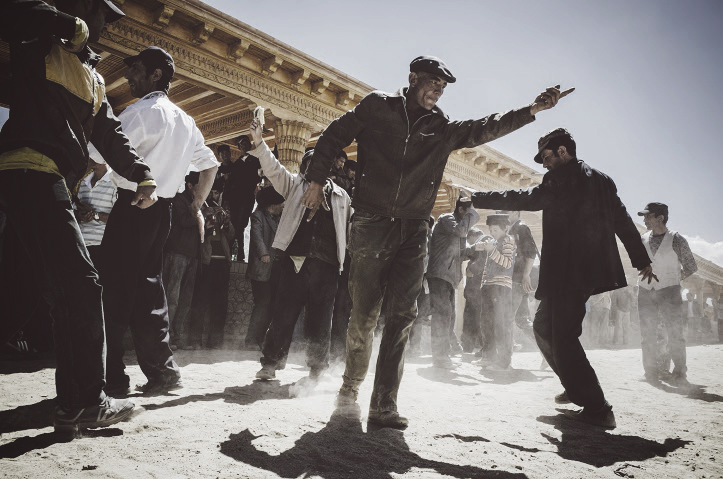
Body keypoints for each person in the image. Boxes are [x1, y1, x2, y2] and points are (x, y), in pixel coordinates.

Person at [301, 55, 567, 429]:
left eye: (442, 88)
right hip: (371, 223)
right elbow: (331, 138)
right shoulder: (377, 105)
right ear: (412, 78)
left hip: (414, 230)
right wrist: (315, 181)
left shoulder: (440, 127)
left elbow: (483, 128)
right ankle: (349, 390)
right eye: (431, 83)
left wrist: (532, 109)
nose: (436, 92)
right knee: (363, 314)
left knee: (403, 315)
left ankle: (383, 404)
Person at [0, 0, 157, 433]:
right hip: (31, 167)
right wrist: (64, 24)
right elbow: (11, 12)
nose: (107, 24)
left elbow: (109, 132)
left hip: (42, 179)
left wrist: (141, 173)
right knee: (81, 287)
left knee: (20, 296)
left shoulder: (95, 79)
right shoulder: (41, 41)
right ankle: (85, 400)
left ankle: (74, 404)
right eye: (103, 14)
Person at [471, 128, 654, 429]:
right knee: (543, 326)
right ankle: (576, 385)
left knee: (563, 335)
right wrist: (640, 259)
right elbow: (622, 221)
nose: (544, 164)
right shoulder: (603, 180)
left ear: (563, 152)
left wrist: (478, 197)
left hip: (570, 270)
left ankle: (597, 408)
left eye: (546, 157)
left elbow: (527, 197)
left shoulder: (560, 179)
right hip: (581, 270)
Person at [102, 46, 219, 395]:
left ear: (156, 74)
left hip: (133, 205)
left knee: (116, 290)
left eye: (135, 69)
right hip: (162, 212)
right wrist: (196, 203)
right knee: (149, 291)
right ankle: (163, 373)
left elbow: (98, 155)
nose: (128, 76)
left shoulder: (139, 112)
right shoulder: (186, 121)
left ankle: (112, 378)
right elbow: (211, 165)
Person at [248, 122, 353, 383]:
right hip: (294, 264)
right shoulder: (294, 185)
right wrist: (260, 143)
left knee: (320, 322)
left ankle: (317, 370)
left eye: (318, 163)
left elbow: (349, 232)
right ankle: (270, 364)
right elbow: (273, 169)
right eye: (309, 162)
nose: (312, 167)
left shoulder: (343, 197)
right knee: (284, 315)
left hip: (328, 267)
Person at [637, 202, 697, 386]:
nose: (645, 219)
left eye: (648, 216)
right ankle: (650, 372)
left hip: (669, 291)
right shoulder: (643, 238)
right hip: (645, 291)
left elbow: (690, 266)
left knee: (674, 332)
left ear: (660, 218)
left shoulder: (676, 239)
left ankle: (679, 372)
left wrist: (671, 278)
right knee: (648, 333)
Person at [427, 196, 480, 368]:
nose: (471, 217)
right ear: (461, 210)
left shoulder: (457, 227)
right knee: (442, 315)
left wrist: (476, 249)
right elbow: (461, 232)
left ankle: (444, 354)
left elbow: (460, 253)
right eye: (469, 212)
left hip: (449, 276)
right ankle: (440, 357)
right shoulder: (447, 219)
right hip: (440, 274)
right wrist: (472, 214)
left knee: (448, 315)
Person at [163, 171, 203, 349]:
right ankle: (166, 338)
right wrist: (202, 215)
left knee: (185, 300)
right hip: (177, 253)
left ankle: (176, 338)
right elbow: (183, 220)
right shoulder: (178, 200)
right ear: (190, 186)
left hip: (192, 256)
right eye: (200, 186)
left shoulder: (198, 203)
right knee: (172, 298)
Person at [245, 186, 285, 350]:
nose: (283, 206)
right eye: (281, 204)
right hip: (261, 269)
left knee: (271, 305)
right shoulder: (257, 216)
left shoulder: (279, 218)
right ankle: (251, 341)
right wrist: (263, 254)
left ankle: (260, 340)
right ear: (272, 205)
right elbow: (257, 237)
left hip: (275, 270)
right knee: (262, 304)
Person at [475, 214, 517, 371]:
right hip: (488, 286)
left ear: (505, 228)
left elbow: (507, 264)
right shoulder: (494, 242)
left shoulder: (508, 241)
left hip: (501, 288)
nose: (492, 233)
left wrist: (491, 250)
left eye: (496, 230)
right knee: (486, 323)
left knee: (500, 325)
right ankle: (488, 357)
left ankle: (503, 361)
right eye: (491, 230)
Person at [74, 144, 116, 269]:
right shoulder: (81, 182)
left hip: (103, 246)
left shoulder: (115, 183)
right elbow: (73, 210)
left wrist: (96, 215)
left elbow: (119, 219)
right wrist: (79, 215)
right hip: (80, 244)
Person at [220, 135, 262, 262]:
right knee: (234, 225)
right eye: (240, 144)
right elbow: (229, 181)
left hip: (247, 198)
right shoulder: (237, 163)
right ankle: (236, 254)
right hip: (235, 200)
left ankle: (239, 254)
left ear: (249, 145)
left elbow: (260, 178)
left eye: (245, 143)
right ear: (238, 147)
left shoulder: (256, 161)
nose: (243, 146)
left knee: (241, 224)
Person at [503, 211, 538, 345]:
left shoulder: (521, 227)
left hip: (517, 280)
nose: (505, 214)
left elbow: (531, 253)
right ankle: (548, 351)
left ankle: (502, 358)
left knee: (507, 317)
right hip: (515, 279)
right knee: (522, 319)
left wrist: (525, 275)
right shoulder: (511, 229)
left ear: (516, 213)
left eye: (508, 211)